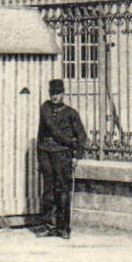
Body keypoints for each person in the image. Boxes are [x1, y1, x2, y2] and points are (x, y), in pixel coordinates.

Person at [36, 78, 88, 239]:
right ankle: (48, 226)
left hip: (62, 156)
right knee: (48, 192)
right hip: (47, 153)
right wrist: (70, 142)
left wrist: (76, 155)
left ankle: (63, 228)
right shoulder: (45, 108)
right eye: (52, 93)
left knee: (63, 192)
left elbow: (82, 137)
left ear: (63, 93)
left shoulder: (71, 114)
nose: (55, 96)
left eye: (58, 93)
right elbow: (48, 130)